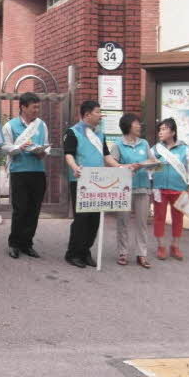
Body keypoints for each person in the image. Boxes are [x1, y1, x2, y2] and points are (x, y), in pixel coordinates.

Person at [63, 100, 127, 268]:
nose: (101, 115)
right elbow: (68, 154)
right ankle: (73, 253)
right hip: (80, 181)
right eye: (98, 112)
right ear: (87, 114)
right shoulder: (73, 132)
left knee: (95, 219)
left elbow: (107, 156)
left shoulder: (100, 133)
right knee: (81, 219)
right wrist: (75, 167)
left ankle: (85, 251)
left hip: (98, 182)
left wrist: (120, 167)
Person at [2, 92, 49, 259]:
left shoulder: (41, 125)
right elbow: (5, 148)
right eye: (34, 107)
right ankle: (14, 243)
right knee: (20, 210)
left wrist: (42, 152)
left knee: (34, 210)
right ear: (23, 107)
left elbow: (46, 145)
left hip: (38, 171)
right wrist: (20, 147)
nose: (37, 110)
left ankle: (27, 243)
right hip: (19, 172)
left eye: (38, 107)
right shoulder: (10, 126)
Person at [110, 113, 157, 268]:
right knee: (122, 221)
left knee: (142, 223)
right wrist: (126, 168)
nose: (139, 126)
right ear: (128, 126)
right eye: (136, 124)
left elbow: (154, 161)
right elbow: (112, 164)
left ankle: (141, 254)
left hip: (143, 187)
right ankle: (122, 252)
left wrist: (141, 164)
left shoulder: (144, 143)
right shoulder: (118, 145)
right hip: (124, 189)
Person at [152, 117, 189, 261]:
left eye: (164, 129)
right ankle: (161, 246)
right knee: (159, 217)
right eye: (160, 129)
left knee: (178, 218)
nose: (160, 132)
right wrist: (151, 182)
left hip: (179, 189)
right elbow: (149, 167)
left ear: (173, 132)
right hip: (159, 189)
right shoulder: (156, 149)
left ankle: (175, 246)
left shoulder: (184, 149)